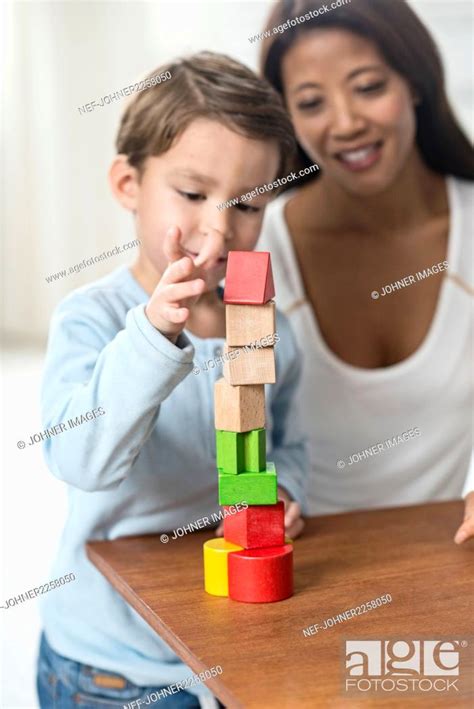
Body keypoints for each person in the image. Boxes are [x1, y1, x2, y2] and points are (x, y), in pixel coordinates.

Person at [36, 52, 307, 708]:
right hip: (110, 665)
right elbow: (82, 458)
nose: (218, 229)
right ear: (128, 184)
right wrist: (154, 334)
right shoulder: (92, 319)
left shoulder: (270, 331)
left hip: (222, 646)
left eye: (247, 205)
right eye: (192, 194)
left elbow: (290, 444)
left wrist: (289, 494)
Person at [256, 0, 474, 541]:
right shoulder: (254, 247)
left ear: (416, 83)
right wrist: (257, 499)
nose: (347, 123)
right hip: (307, 578)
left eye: (369, 87)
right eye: (311, 102)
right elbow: (221, 436)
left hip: (452, 573)